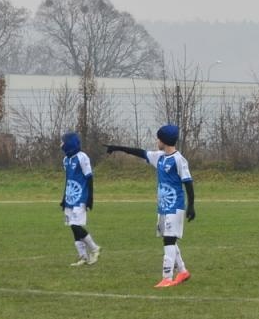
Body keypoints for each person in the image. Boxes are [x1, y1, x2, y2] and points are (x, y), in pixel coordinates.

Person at [106, 123, 196, 288]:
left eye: (158, 138)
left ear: (164, 140)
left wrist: (191, 206)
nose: (157, 141)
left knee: (169, 240)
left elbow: (188, 183)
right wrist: (117, 148)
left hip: (175, 206)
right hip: (163, 207)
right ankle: (182, 271)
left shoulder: (178, 159)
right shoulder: (159, 157)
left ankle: (167, 278)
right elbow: (139, 152)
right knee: (168, 238)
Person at [61, 132, 102, 266]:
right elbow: (67, 179)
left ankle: (95, 249)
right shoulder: (66, 160)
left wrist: (90, 198)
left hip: (81, 197)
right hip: (70, 198)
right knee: (72, 228)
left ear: (69, 143)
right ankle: (83, 257)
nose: (61, 145)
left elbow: (89, 177)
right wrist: (64, 198)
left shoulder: (82, 157)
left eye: (63, 142)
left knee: (76, 225)